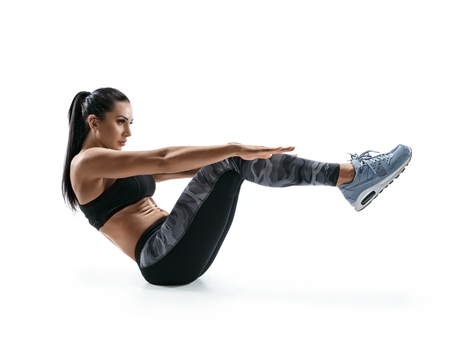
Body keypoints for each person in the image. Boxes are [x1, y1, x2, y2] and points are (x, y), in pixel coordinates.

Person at [62, 87, 412, 286]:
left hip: (176, 251)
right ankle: (350, 176)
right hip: (161, 256)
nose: (128, 132)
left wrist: (249, 157)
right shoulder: (86, 163)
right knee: (232, 158)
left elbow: (185, 168)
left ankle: (349, 177)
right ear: (94, 122)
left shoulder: (111, 166)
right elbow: (165, 158)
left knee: (232, 162)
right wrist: (234, 149)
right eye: (121, 122)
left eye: (131, 122)